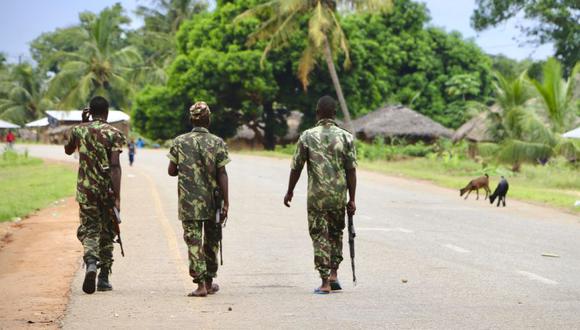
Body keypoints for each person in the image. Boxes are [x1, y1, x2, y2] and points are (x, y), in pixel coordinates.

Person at [284, 95, 357, 294]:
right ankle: (334, 275)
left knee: (319, 236)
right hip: (337, 197)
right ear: (335, 114)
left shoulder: (307, 136)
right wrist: (352, 199)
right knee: (335, 234)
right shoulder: (346, 137)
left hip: (316, 198)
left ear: (317, 113)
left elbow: (296, 167)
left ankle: (324, 283)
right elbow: (351, 170)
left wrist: (290, 191)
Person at [64, 96, 126, 294]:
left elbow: (67, 150)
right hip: (106, 192)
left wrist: (82, 122)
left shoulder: (79, 130)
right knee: (108, 231)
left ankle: (91, 262)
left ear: (90, 111)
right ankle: (104, 278)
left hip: (86, 191)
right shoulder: (114, 133)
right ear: (107, 112)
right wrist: (117, 196)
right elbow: (115, 166)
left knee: (90, 229)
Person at [167, 101, 230, 297]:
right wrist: (226, 202)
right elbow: (222, 173)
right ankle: (210, 281)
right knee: (211, 241)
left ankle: (200, 284)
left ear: (190, 119)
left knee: (193, 241)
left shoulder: (179, 141)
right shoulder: (217, 142)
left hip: (188, 201)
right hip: (213, 200)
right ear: (208, 119)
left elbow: (171, 171)